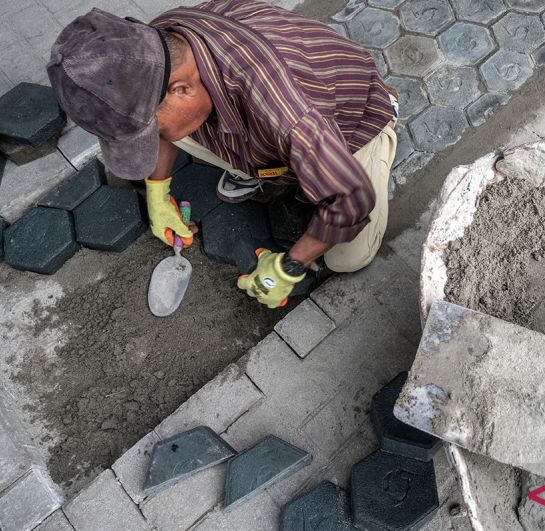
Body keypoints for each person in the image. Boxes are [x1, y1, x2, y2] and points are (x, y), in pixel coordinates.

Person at [47, 0, 398, 308]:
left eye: (149, 130)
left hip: (348, 126)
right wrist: (158, 193)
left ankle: (372, 145)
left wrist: (288, 267)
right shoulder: (149, 51)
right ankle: (263, 167)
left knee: (348, 258)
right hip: (270, 121)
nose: (151, 140)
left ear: (181, 88)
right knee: (178, 129)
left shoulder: (286, 112)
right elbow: (157, 119)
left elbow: (351, 199)